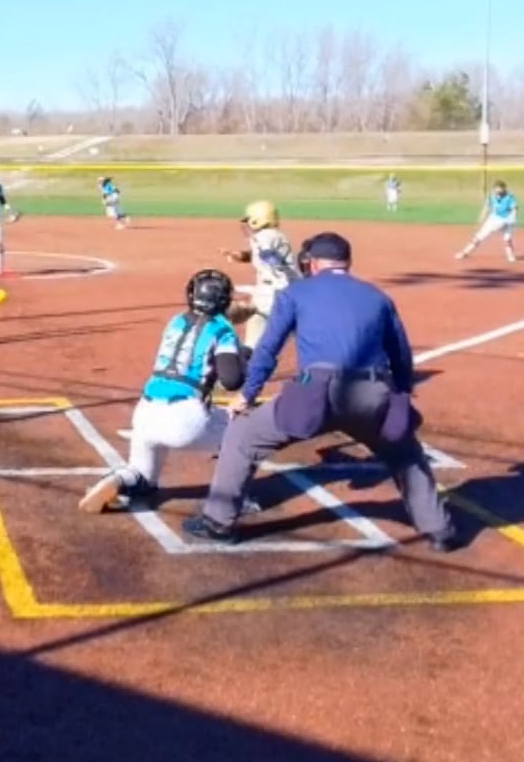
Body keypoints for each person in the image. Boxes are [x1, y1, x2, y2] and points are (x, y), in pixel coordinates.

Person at [185, 231, 462, 552]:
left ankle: (218, 523)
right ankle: (440, 530)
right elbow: (401, 355)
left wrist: (247, 394)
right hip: (373, 392)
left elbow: (267, 351)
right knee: (406, 453)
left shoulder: (295, 293)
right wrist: (400, 395)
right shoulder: (377, 297)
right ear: (347, 262)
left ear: (314, 264)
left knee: (242, 436)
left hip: (314, 394)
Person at [78, 269, 245, 513]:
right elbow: (232, 380)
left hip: (146, 413)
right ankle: (234, 498)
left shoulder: (176, 321)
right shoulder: (223, 329)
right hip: (185, 419)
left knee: (142, 477)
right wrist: (243, 359)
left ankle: (119, 479)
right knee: (246, 430)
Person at [223, 200, 299, 347]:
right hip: (286, 289)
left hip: (272, 292)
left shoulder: (263, 236)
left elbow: (267, 254)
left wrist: (273, 262)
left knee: (254, 337)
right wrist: (242, 256)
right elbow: (262, 255)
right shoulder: (274, 235)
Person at [456, 180, 518, 263]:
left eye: (500, 189)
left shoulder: (510, 197)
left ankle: (510, 255)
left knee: (507, 238)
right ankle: (465, 252)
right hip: (495, 219)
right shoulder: (492, 196)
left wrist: (512, 219)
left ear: (504, 189)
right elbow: (486, 208)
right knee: (480, 236)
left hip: (507, 220)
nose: (498, 191)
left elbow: (514, 209)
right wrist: (480, 219)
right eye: (496, 189)